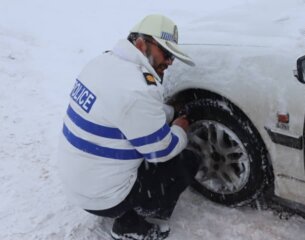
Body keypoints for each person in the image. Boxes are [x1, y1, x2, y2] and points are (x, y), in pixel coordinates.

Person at [57, 14, 200, 240]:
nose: (170, 62)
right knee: (185, 162)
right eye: (167, 53)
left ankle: (120, 204)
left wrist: (169, 113)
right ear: (142, 43)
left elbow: (130, 112)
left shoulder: (102, 64)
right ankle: (132, 225)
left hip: (76, 183)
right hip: (103, 198)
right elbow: (160, 151)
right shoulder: (138, 88)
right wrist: (180, 128)